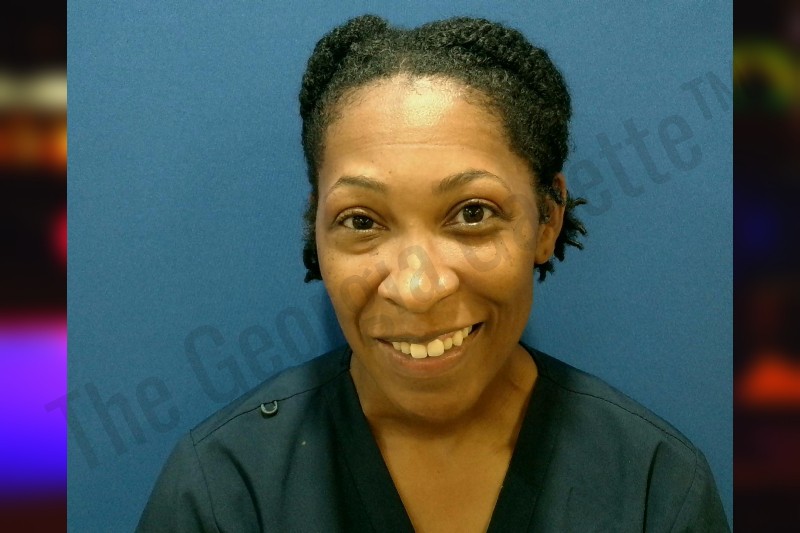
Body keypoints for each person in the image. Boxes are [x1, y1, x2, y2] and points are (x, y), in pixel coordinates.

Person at [136, 15, 730, 532]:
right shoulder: (226, 492)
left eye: (473, 214)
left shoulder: (655, 489)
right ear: (315, 229)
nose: (417, 290)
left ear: (546, 220)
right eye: (361, 221)